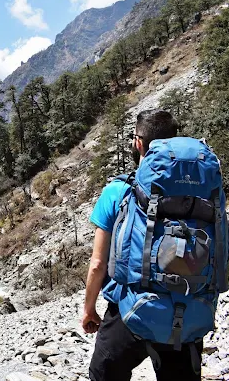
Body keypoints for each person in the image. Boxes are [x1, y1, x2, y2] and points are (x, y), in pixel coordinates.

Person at [81, 109, 203, 381]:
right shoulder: (199, 193)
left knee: (103, 375)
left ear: (138, 142)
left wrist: (89, 309)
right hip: (186, 313)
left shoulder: (118, 190)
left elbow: (98, 263)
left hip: (130, 311)